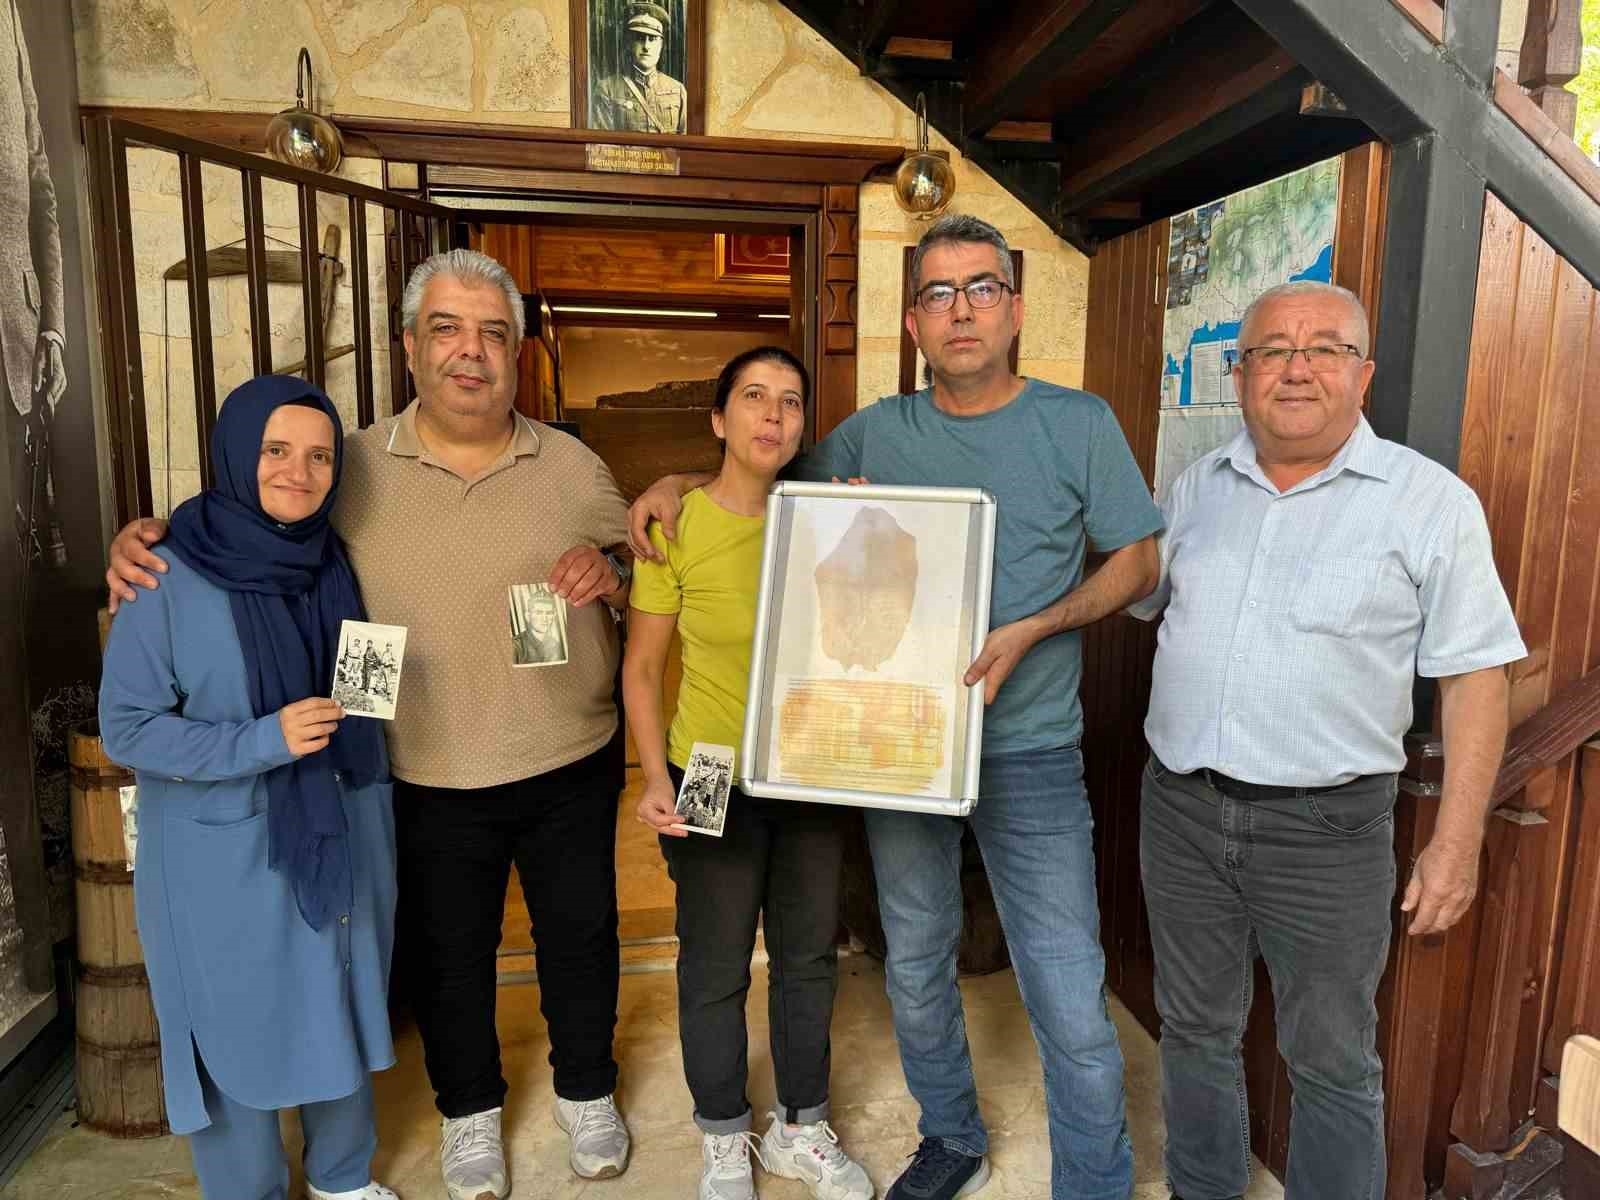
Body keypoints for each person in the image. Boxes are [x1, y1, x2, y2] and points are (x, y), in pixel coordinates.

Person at [631, 214, 1163, 1200]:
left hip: (1032, 751)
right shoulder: (877, 432)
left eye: (981, 288)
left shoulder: (1078, 423)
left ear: (1014, 308)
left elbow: (1138, 562)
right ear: (913, 322)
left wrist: (1038, 626)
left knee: (1064, 980)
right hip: (900, 750)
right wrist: (674, 482)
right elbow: (759, 476)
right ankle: (951, 1135)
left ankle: (1093, 1180)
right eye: (938, 293)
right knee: (914, 963)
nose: (961, 311)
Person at [106, 250, 636, 1200]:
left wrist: (617, 569)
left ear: (518, 352)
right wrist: (142, 538)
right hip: (422, 762)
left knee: (582, 938)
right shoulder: (351, 465)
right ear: (409, 346)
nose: (470, 350)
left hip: (567, 753)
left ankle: (587, 1093)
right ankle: (469, 1112)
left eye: (493, 332)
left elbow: (641, 547)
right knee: (448, 955)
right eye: (447, 328)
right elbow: (247, 522)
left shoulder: (572, 463)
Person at [1128, 280, 1526, 1200]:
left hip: (1327, 833)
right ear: (1241, 373)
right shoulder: (1195, 488)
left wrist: (1457, 843)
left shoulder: (1430, 503)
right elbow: (1142, 598)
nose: (1296, 368)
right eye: (1272, 349)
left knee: (1333, 1060)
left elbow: (1477, 676)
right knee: (1193, 1030)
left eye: (1325, 349)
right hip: (1181, 812)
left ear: (1363, 373)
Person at [98, 376, 398, 1200]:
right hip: (218, 853)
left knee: (339, 992)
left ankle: (342, 1176)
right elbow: (127, 728)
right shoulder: (164, 573)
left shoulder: (337, 559)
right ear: (235, 453)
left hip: (342, 820)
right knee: (231, 1023)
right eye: (275, 450)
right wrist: (263, 740)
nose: (299, 473)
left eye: (320, 456)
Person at [623, 347, 874, 1200]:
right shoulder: (676, 526)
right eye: (755, 397)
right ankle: (725, 1134)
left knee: (807, 956)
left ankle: (801, 1128)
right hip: (708, 769)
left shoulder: (824, 517)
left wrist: (867, 531)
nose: (773, 415)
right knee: (715, 959)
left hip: (807, 766)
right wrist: (652, 776)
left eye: (791, 402)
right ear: (719, 419)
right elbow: (641, 668)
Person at [3, 0, 68, 565]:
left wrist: (53, 327)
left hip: (17, 343)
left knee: (22, 558)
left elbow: (39, 181)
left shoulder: (8, 16)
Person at [592, 1, 688, 134]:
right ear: (628, 43)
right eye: (639, 38)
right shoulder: (607, 89)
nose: (646, 46)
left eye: (652, 39)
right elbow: (602, 143)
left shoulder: (677, 90)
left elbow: (686, 142)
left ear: (661, 45)